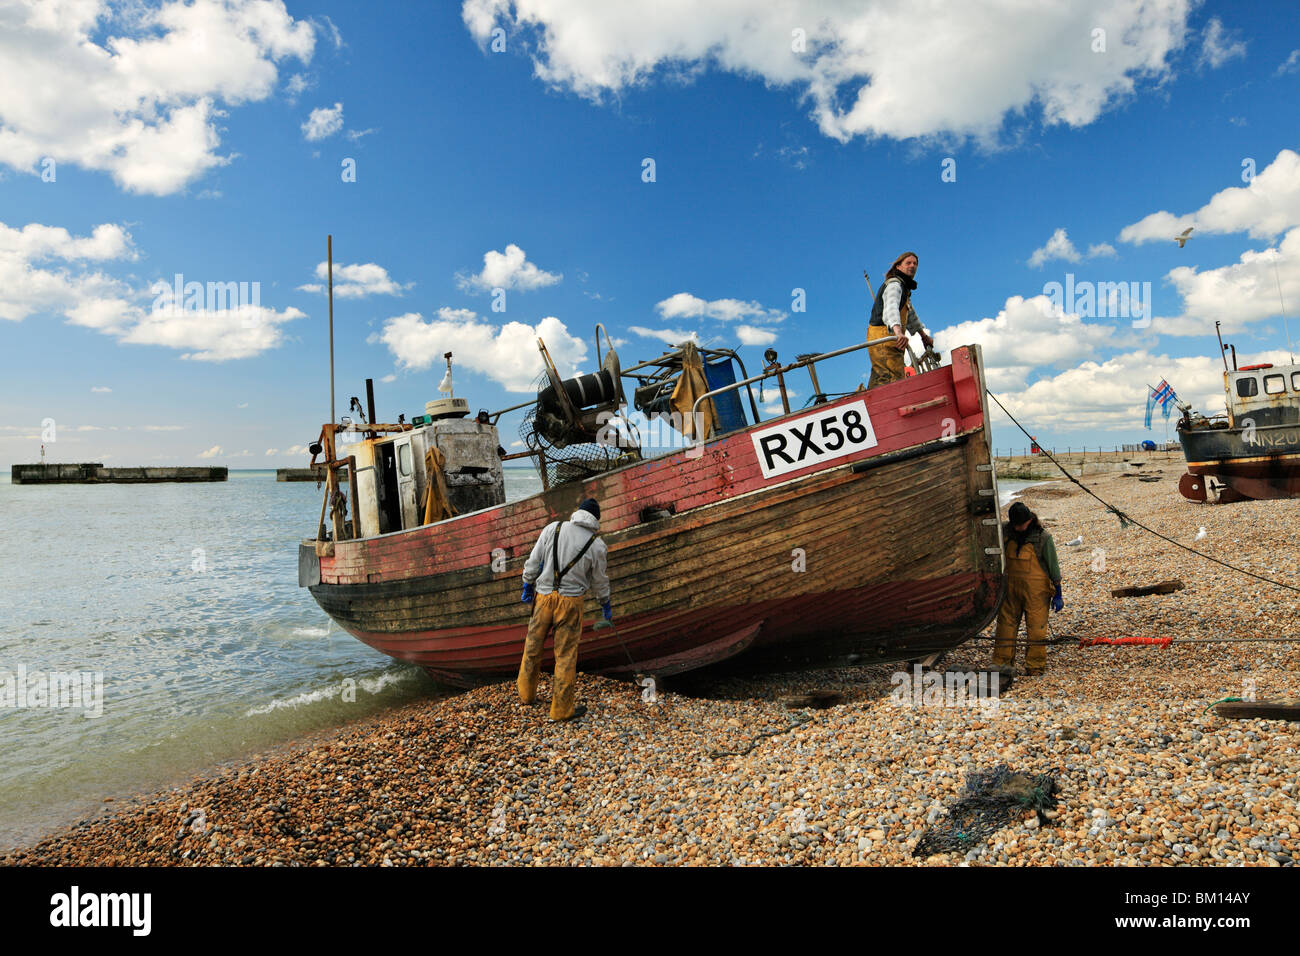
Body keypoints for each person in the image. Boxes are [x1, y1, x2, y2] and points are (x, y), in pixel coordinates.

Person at [517, 497, 611, 720]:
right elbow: (599, 581)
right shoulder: (597, 545)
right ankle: (560, 710)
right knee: (566, 655)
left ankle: (526, 695)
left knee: (532, 646)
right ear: (595, 521)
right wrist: (604, 603)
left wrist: (527, 583)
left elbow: (533, 560)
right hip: (570, 603)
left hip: (544, 597)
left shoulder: (553, 528)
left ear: (577, 513)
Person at [992, 501, 1064, 676]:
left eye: (1021, 525)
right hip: (1010, 590)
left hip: (1037, 593)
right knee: (1005, 627)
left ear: (1030, 520)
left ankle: (1035, 666)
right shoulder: (1005, 531)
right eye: (1015, 525)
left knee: (1036, 630)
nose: (1018, 528)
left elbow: (1053, 566)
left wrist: (1058, 593)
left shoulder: (1044, 538)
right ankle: (1002, 664)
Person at [867, 251, 935, 389]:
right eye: (908, 263)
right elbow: (891, 308)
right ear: (898, 266)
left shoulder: (904, 288)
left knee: (881, 378)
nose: (912, 266)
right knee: (891, 380)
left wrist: (923, 336)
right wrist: (898, 332)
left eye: (915, 264)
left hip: (891, 340)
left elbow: (910, 315)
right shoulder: (894, 285)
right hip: (883, 338)